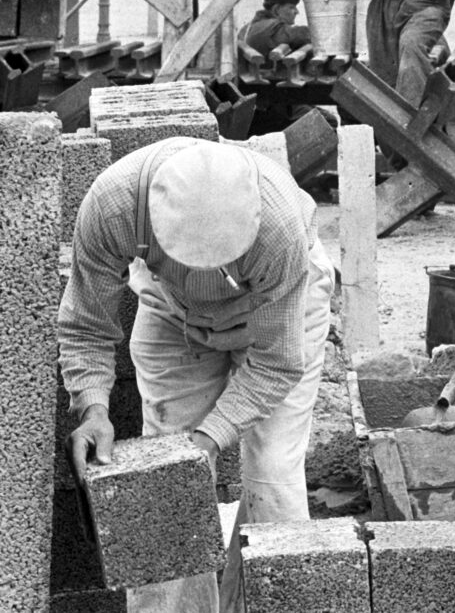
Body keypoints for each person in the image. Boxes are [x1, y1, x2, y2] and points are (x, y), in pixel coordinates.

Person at [59, 138, 333, 613]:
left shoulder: (281, 226)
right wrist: (93, 406)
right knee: (166, 479)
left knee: (272, 477)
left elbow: (276, 364)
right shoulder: (113, 205)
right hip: (173, 311)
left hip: (277, 316)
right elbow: (86, 323)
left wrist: (208, 440)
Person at [239, 0, 311, 57]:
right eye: (291, 7)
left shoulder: (247, 28)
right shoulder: (275, 29)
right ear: (276, 9)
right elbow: (303, 34)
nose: (297, 12)